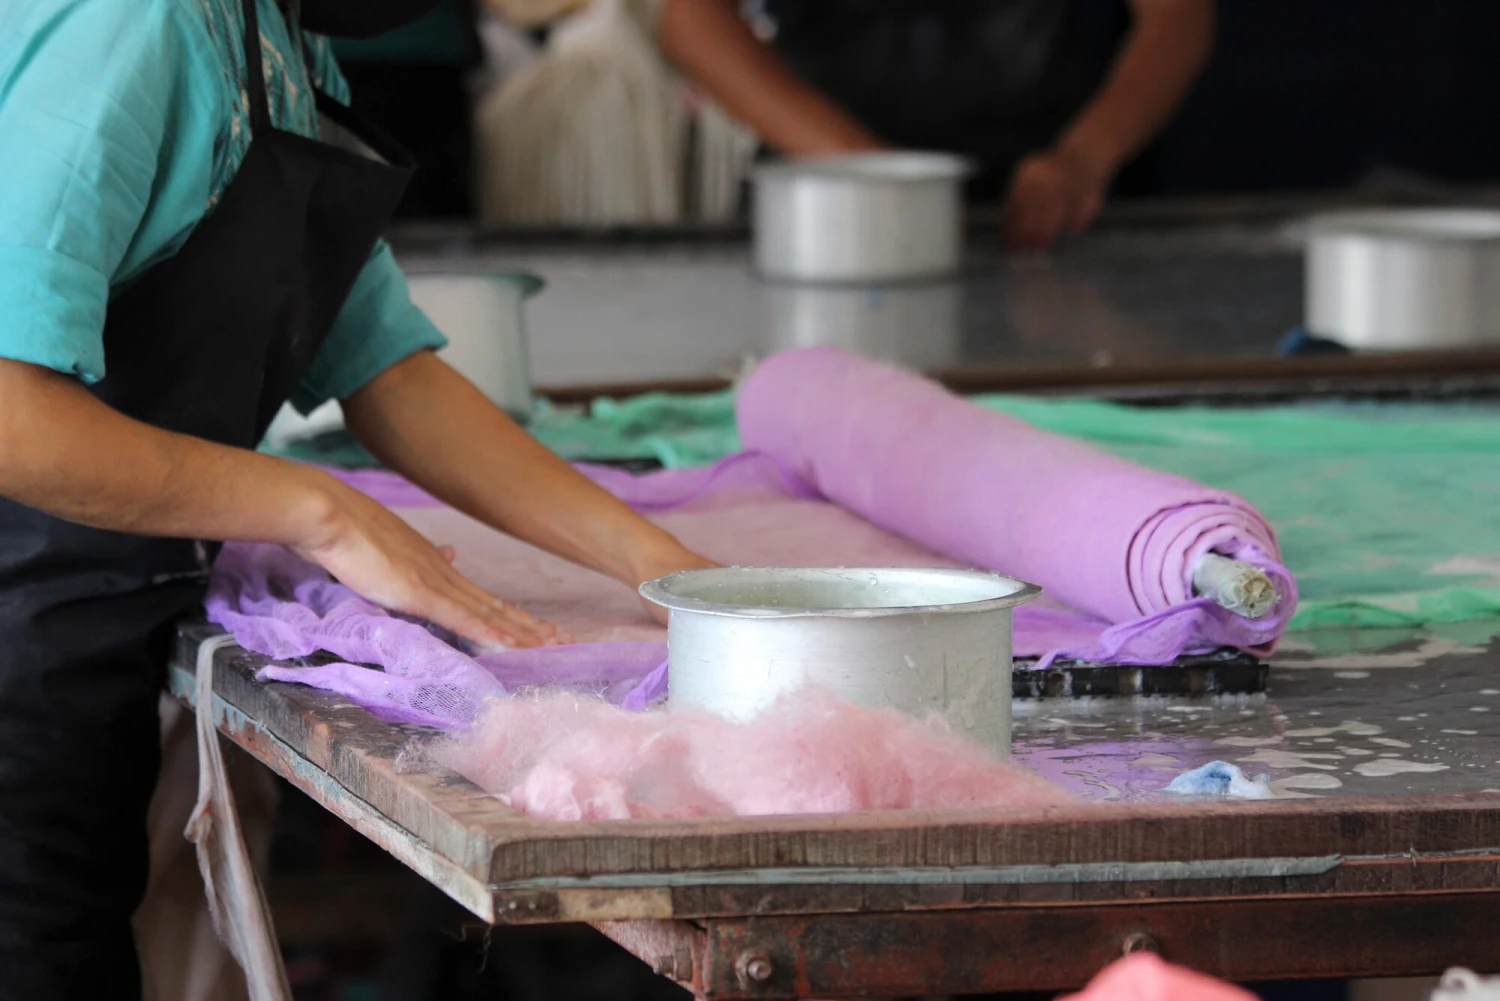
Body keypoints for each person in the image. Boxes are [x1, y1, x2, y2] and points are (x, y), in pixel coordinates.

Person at [0, 0, 710, 996]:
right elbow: (12, 413)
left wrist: (665, 568)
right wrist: (319, 510)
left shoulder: (281, 45)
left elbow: (387, 373)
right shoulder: (139, 23)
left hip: (76, 617)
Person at [656, 0, 1215, 248]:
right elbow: (691, 20)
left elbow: (1177, 13)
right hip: (826, 215)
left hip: (1034, 216)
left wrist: (1086, 157)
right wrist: (875, 172)